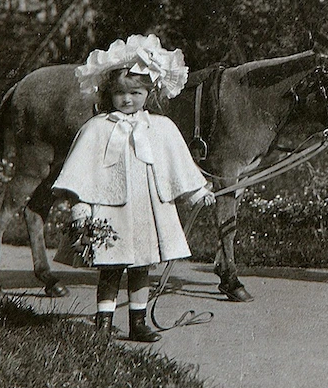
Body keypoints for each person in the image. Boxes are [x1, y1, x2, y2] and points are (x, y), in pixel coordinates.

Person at [53, 34, 215, 343]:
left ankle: (138, 321)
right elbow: (80, 171)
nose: (128, 100)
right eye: (121, 94)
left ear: (149, 92)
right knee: (111, 267)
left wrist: (197, 193)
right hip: (112, 212)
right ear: (110, 94)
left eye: (136, 93)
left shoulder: (161, 127)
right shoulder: (98, 128)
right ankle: (103, 323)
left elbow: (178, 163)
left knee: (142, 265)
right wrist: (80, 206)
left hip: (147, 211)